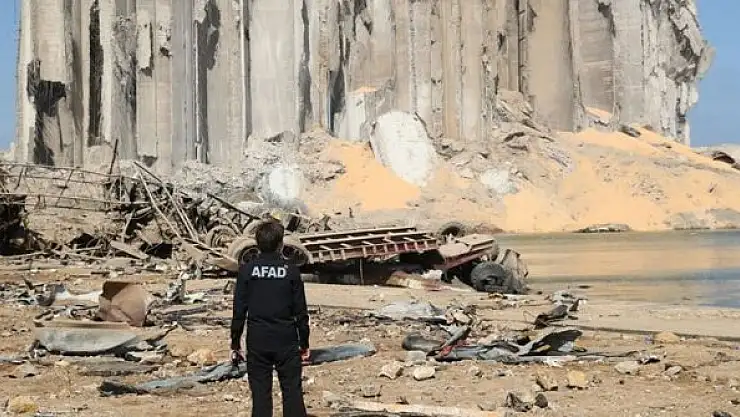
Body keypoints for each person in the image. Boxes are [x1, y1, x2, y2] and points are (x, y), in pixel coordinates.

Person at [230, 220, 310, 417]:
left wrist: (235, 342)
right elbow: (301, 311)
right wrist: (304, 342)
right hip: (286, 339)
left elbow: (239, 311)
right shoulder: (291, 271)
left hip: (258, 340)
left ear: (257, 244)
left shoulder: (247, 270)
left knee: (260, 396)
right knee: (292, 392)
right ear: (280, 244)